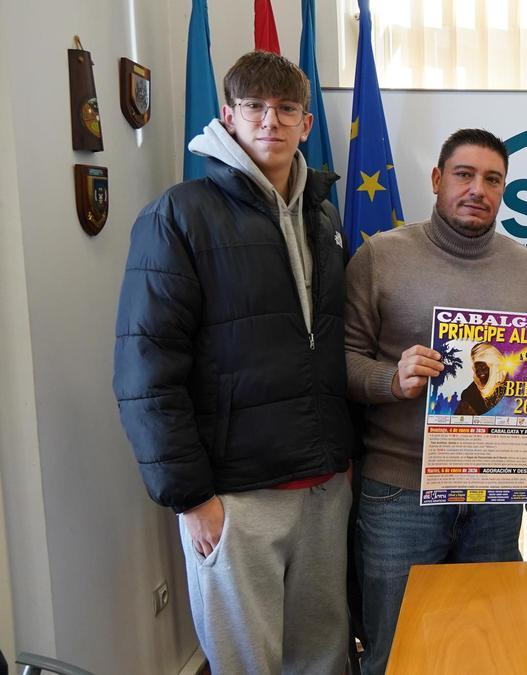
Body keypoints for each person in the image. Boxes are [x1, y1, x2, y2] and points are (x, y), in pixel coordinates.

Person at [113, 51, 353, 673]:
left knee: (322, 659)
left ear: (305, 123)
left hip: (323, 485)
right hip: (236, 496)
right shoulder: (181, 214)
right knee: (249, 664)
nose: (270, 121)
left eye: (286, 109)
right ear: (229, 115)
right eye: (255, 107)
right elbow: (146, 370)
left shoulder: (323, 218)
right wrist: (192, 498)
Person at [343, 128, 527, 674]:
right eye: (463, 174)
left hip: (495, 495)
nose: (477, 189)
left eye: (492, 179)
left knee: (487, 647)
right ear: (436, 180)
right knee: (394, 652)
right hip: (401, 493)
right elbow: (341, 363)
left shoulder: (526, 267)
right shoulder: (380, 257)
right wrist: (394, 379)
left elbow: (524, 382)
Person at [453, 342, 507, 415]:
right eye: (476, 365)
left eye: (482, 364)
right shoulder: (469, 395)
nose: (479, 369)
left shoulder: (514, 386)